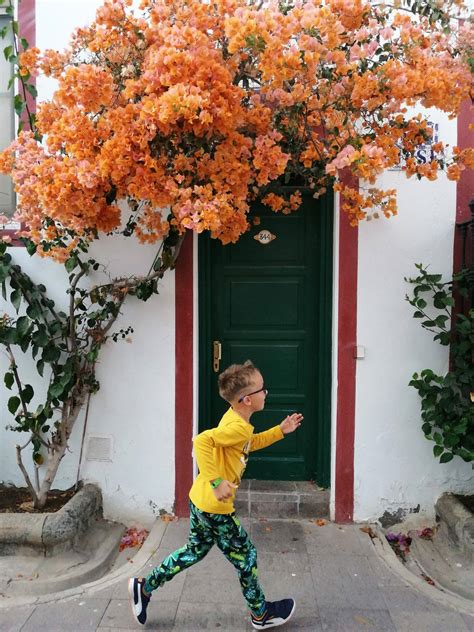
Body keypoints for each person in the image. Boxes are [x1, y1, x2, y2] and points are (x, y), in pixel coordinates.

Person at [129, 360, 303, 629]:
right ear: (246, 399)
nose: (266, 393)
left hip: (200, 501)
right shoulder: (236, 426)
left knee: (194, 551)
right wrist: (217, 480)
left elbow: (248, 443)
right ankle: (261, 614)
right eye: (262, 389)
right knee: (247, 557)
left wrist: (280, 431)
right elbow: (201, 441)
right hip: (215, 507)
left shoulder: (238, 420)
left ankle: (145, 587)